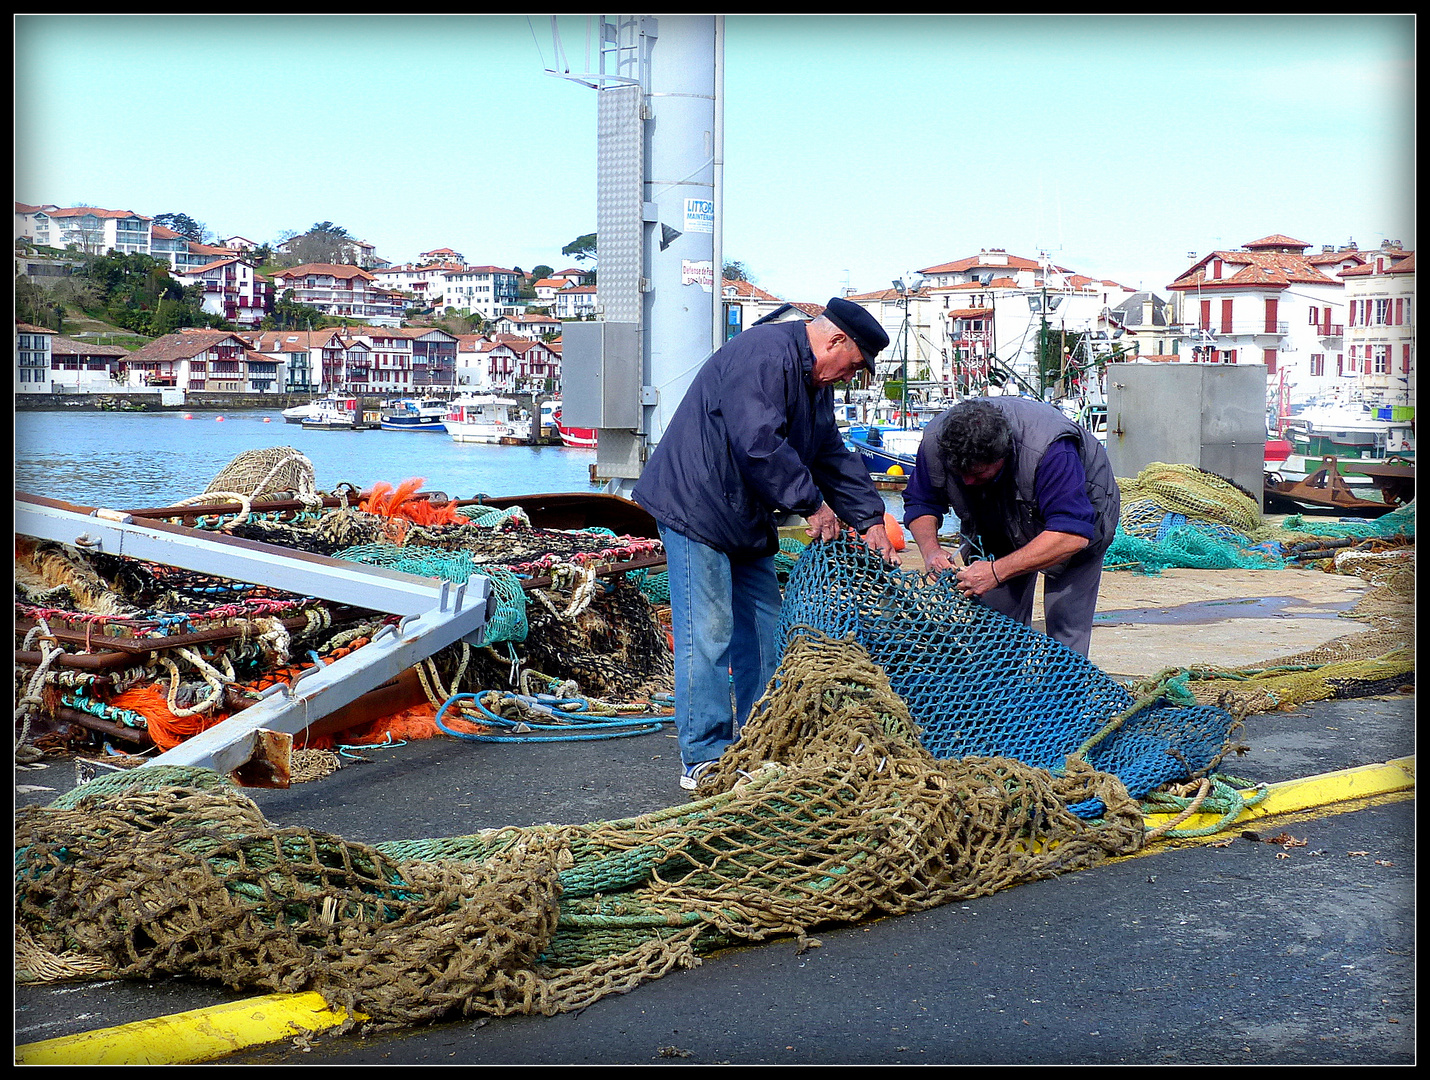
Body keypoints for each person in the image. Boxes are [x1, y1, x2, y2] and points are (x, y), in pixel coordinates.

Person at [632, 298, 900, 791]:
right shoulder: (763, 353)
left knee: (765, 631)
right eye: (855, 365)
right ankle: (705, 758)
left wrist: (871, 519)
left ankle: (762, 741)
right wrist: (812, 505)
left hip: (745, 516)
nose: (851, 377)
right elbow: (758, 442)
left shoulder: (812, 381)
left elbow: (828, 453)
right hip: (697, 507)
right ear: (836, 340)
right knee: (707, 636)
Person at [902, 396, 1120, 657]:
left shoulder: (1051, 450)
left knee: (1066, 625)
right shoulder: (936, 443)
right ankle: (1003, 690)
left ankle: (1061, 692)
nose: (968, 481)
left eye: (978, 473)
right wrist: (930, 551)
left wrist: (996, 571)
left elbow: (1071, 534)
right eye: (961, 473)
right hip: (994, 518)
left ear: (1003, 456)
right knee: (995, 628)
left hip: (1079, 519)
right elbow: (921, 502)